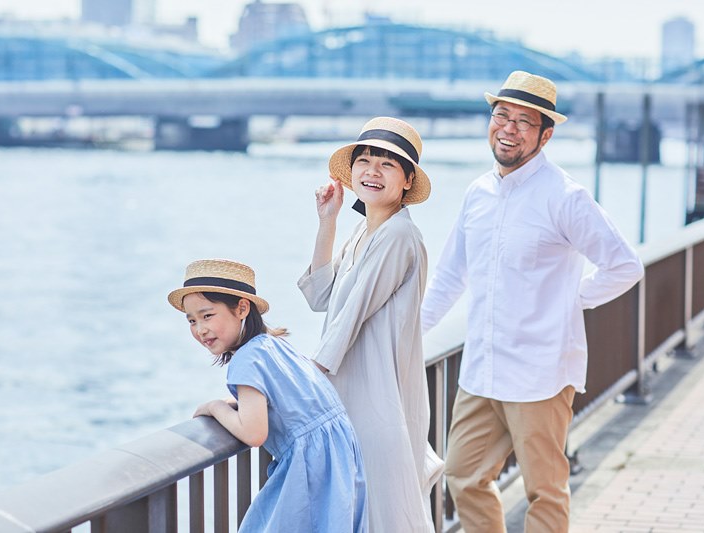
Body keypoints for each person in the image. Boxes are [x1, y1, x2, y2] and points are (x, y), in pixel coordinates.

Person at [420, 70, 645, 533]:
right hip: (482, 368)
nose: (509, 127)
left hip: (541, 371)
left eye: (525, 121)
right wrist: (407, 335)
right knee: (462, 477)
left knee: (544, 488)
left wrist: (572, 300)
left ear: (546, 135)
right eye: (501, 115)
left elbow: (624, 265)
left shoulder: (566, 197)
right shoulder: (477, 193)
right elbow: (450, 275)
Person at [298, 117, 444, 532]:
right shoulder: (365, 229)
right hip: (354, 395)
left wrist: (297, 386)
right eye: (364, 161)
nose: (372, 172)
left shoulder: (399, 235)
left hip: (377, 398)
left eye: (387, 164)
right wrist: (328, 220)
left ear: (407, 180)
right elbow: (320, 297)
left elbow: (348, 321)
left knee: (382, 513)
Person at [168, 258, 367, 533]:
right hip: (338, 461)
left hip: (310, 468)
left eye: (207, 315)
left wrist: (215, 407)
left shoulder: (246, 360)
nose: (200, 329)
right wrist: (238, 405)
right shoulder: (273, 346)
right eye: (191, 320)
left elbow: (253, 433)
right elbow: (288, 403)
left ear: (241, 308)